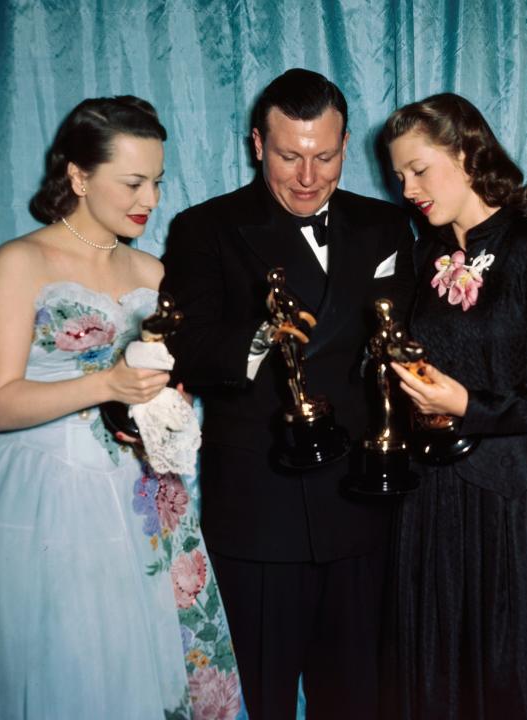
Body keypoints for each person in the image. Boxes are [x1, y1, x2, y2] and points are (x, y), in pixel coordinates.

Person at [0, 97, 244, 719]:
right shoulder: (20, 263)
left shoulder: (153, 268)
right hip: (45, 499)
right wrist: (109, 386)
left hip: (145, 497)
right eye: (132, 182)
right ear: (78, 176)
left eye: (157, 181)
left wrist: (167, 401)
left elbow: (165, 379)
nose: (149, 198)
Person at [160, 69, 414, 720]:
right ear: (256, 145)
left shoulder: (387, 225)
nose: (308, 176)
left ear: (346, 145)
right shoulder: (204, 228)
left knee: (360, 701)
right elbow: (188, 351)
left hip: (363, 506)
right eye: (289, 156)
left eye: (325, 157)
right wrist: (262, 339)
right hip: (259, 515)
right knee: (262, 702)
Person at [382, 93, 527, 719]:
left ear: (470, 152)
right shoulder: (422, 255)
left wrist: (468, 403)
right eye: (399, 177)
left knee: (515, 683)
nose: (409, 189)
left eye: (420, 169)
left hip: (520, 503)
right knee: (435, 679)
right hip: (432, 502)